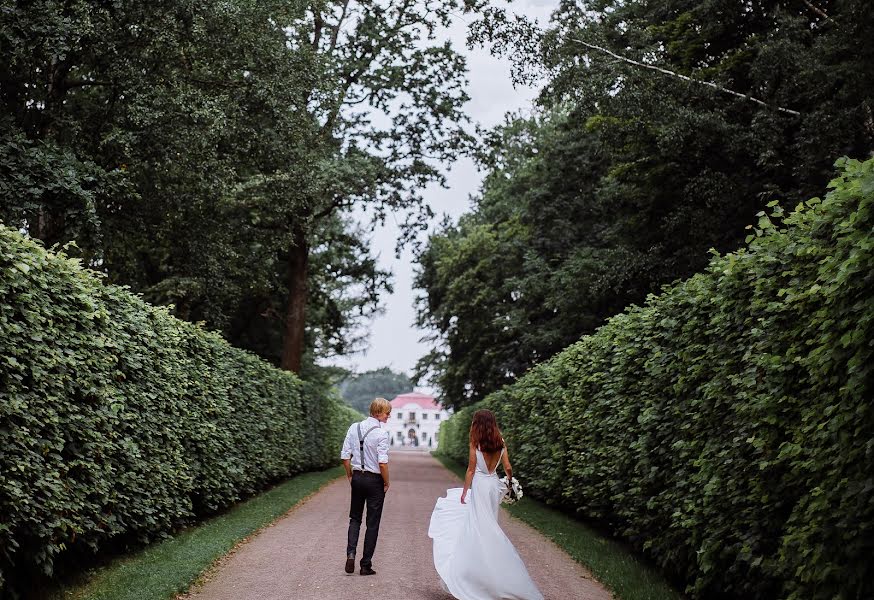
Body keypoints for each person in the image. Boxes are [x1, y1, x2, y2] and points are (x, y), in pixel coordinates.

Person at [428, 409, 543, 600]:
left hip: (480, 485)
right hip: (493, 484)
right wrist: (510, 482)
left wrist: (465, 491)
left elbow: (471, 470)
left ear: (477, 424)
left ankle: (475, 574)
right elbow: (508, 467)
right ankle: (492, 573)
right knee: (489, 522)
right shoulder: (501, 442)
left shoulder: (475, 442)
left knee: (478, 524)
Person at [340, 397, 391, 576]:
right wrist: (387, 481)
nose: (389, 416)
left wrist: (349, 475)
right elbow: (382, 463)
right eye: (387, 413)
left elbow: (345, 456)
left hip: (357, 478)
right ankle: (365, 565)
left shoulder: (354, 428)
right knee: (372, 523)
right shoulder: (382, 434)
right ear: (378, 413)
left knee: (355, 519)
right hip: (374, 480)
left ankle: (351, 553)